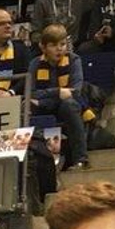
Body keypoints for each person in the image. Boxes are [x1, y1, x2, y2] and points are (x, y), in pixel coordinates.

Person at [29, 23, 94, 170]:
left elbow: (75, 90)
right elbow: (31, 93)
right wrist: (58, 92)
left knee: (69, 105)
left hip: (67, 104)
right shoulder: (35, 63)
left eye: (63, 44)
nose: (60, 49)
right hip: (47, 105)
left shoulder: (74, 60)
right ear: (43, 47)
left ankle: (81, 159)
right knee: (26, 106)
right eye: (53, 45)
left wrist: (45, 99)